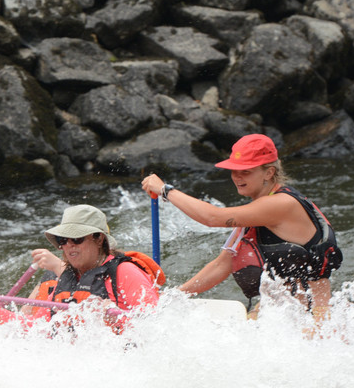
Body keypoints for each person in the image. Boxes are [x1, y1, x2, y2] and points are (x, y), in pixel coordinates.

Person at [140, 133, 341, 319]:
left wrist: (165, 190)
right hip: (277, 315)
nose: (237, 177)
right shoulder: (256, 211)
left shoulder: (281, 204)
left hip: (312, 318)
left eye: (245, 172)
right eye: (234, 171)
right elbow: (222, 265)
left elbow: (212, 218)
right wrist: (173, 297)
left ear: (269, 172)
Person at [28, 204, 162, 322]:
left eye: (76, 238)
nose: (69, 245)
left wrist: (117, 319)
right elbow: (34, 328)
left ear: (99, 239)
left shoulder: (125, 272)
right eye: (62, 239)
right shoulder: (63, 279)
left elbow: (157, 325)